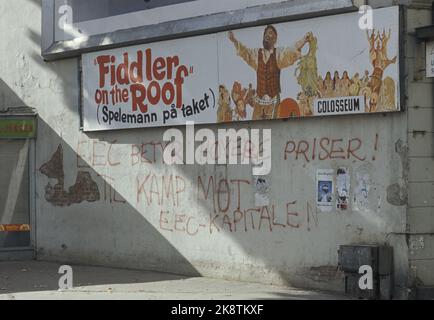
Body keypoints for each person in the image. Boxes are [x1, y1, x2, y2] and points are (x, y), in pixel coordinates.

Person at [228, 26, 311, 120]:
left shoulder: (278, 54)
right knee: (255, 128)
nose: (267, 35)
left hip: (273, 101)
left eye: (270, 33)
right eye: (265, 34)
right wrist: (234, 40)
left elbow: (291, 51)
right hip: (259, 101)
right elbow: (244, 52)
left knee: (271, 127)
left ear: (275, 39)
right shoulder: (256, 54)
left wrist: (304, 40)